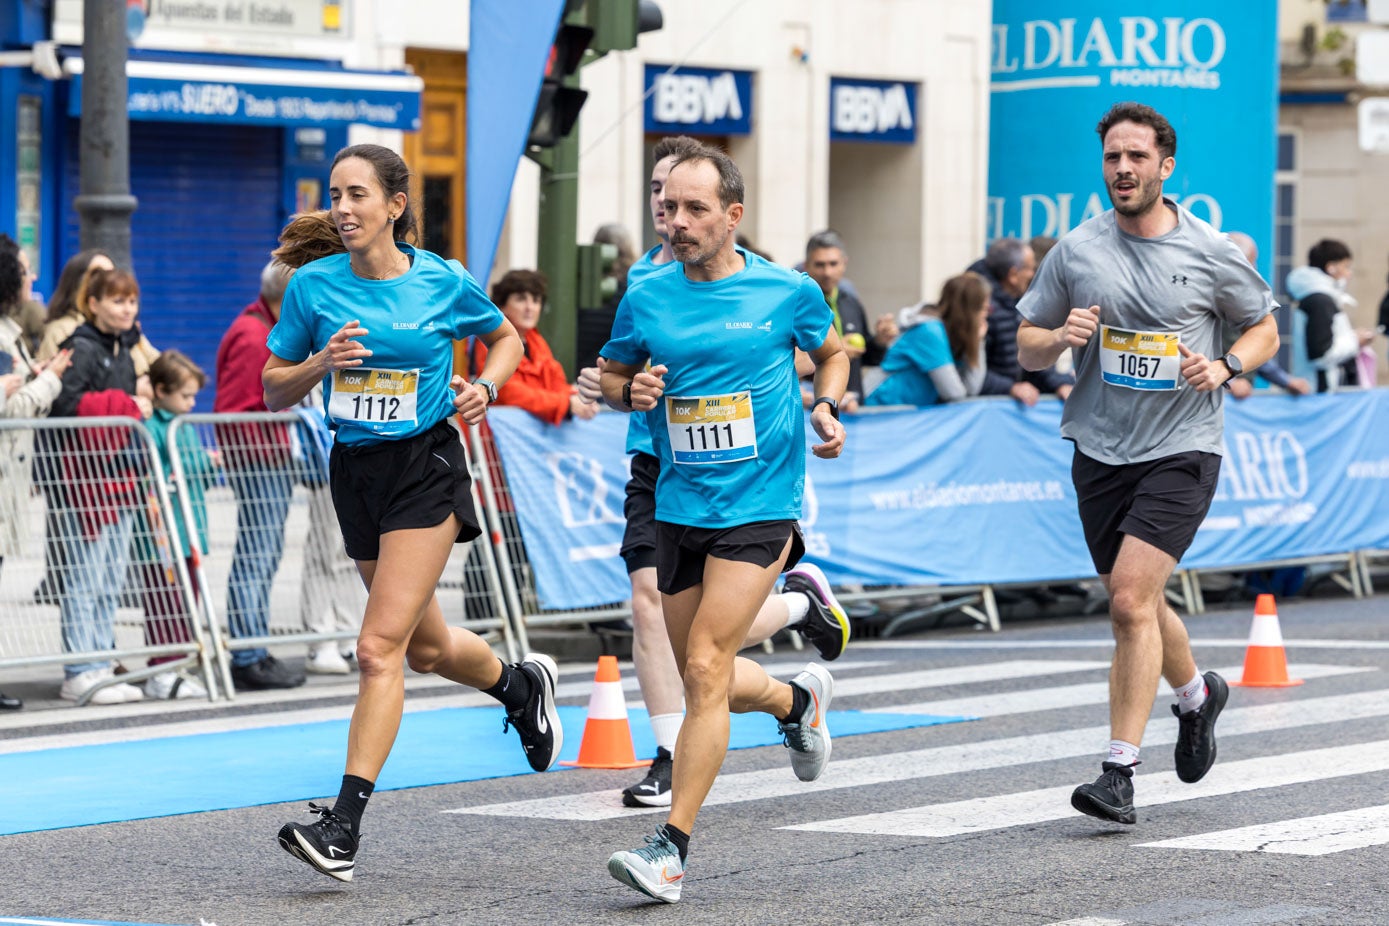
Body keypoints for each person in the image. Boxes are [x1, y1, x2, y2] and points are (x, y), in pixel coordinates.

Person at [262, 143, 555, 884]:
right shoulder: (312, 285)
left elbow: (505, 338)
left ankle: (343, 828)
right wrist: (318, 365)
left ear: (395, 205)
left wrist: (485, 385)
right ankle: (518, 687)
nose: (343, 207)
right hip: (354, 470)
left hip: (423, 465)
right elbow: (271, 387)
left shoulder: (441, 281)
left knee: (375, 648)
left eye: (358, 193)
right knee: (422, 649)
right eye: (335, 193)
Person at [1016, 102, 1280, 825]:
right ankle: (1197, 698)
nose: (1122, 169)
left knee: (1129, 600)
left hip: (1183, 445)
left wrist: (1224, 365)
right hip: (1099, 447)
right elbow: (1026, 344)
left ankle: (1117, 772)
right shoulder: (1075, 250)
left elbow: (1264, 328)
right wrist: (1056, 338)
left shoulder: (1208, 250)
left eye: (1136, 157)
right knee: (1138, 597)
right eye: (1111, 158)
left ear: (1165, 167)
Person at [599, 144, 849, 903]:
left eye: (695, 209)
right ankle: (795, 700)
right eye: (668, 208)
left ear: (732, 217)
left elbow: (830, 352)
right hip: (680, 505)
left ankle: (669, 850)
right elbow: (612, 374)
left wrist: (827, 404)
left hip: (760, 505)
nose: (676, 222)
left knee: (704, 664)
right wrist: (628, 389)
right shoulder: (645, 292)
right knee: (701, 674)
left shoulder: (787, 290)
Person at [49, 267, 155, 705]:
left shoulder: (125, 348)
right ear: (92, 304)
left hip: (121, 479)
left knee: (110, 578)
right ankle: (80, 667)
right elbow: (65, 405)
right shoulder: (81, 347)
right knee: (84, 577)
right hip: (85, 483)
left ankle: (100, 662)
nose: (127, 309)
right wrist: (125, 405)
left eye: (131, 301)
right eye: (116, 301)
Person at [271, 209, 365, 675]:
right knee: (324, 543)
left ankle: (348, 631)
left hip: (369, 442)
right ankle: (319, 635)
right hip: (327, 441)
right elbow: (277, 381)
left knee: (356, 547)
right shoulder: (310, 296)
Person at [213, 262, 306, 692]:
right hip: (260, 461)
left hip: (266, 458)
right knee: (257, 552)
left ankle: (254, 647)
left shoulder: (261, 331)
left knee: (262, 553)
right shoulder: (254, 336)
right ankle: (248, 653)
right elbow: (235, 407)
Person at [0, 234, 72, 710]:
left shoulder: (10, 330)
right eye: (25, 270)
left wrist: (31, 375)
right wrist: (50, 378)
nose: (32, 278)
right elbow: (12, 408)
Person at [135, 350, 215, 700]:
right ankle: (163, 667)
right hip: (163, 535)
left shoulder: (184, 427)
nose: (192, 403)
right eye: (185, 395)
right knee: (164, 602)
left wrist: (208, 464)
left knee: (188, 600)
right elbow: (154, 473)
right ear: (161, 390)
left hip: (189, 531)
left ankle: (179, 661)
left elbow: (194, 469)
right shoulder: (152, 428)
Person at [469, 269, 597, 424]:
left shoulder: (536, 340)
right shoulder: (488, 340)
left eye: (536, 300)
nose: (530, 307)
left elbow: (556, 382)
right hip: (496, 437)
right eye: (521, 299)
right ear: (502, 306)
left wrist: (577, 397)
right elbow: (509, 392)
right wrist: (566, 403)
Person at [865, 271, 991, 407]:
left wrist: (978, 343)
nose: (986, 315)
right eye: (983, 309)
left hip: (903, 413)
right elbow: (954, 394)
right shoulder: (930, 331)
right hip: (877, 406)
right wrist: (976, 342)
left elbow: (972, 389)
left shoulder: (952, 332)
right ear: (968, 311)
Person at [973, 237, 1073, 405]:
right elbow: (970, 372)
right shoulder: (980, 309)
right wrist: (1010, 388)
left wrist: (1059, 382)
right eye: (1030, 268)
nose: (1033, 275)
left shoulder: (1018, 302)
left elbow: (1029, 359)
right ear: (1012, 274)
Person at [803, 230, 890, 407]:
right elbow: (790, 362)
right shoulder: (799, 304)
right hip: (815, 410)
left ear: (844, 263)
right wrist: (834, 351)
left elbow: (868, 358)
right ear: (807, 266)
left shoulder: (851, 301)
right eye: (820, 265)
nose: (827, 272)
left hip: (854, 409)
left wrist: (880, 342)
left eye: (833, 264)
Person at [1223, 232, 1309, 398]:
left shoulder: (1244, 299)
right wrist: (1228, 380)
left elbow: (1254, 347)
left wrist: (1286, 381)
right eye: (1251, 262)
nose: (1255, 268)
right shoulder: (1212, 299)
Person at [1287, 238, 1373, 393]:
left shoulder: (1318, 297)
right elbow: (1320, 355)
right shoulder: (1320, 301)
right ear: (1331, 268)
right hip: (1320, 390)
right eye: (1346, 267)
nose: (1349, 274)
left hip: (1319, 388)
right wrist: (1355, 340)